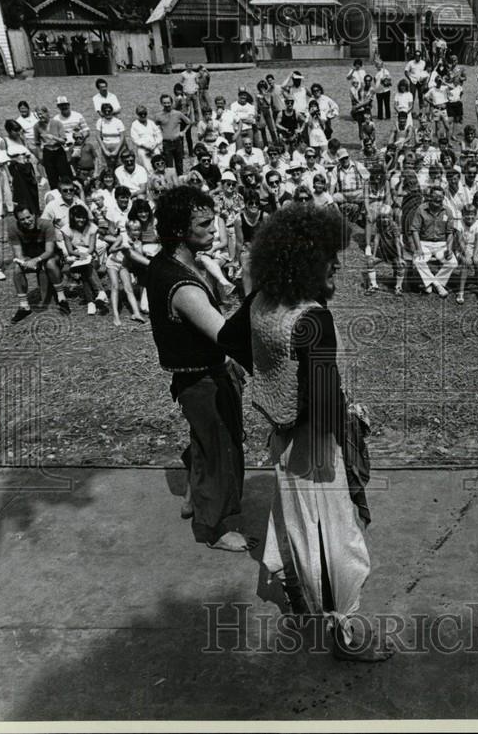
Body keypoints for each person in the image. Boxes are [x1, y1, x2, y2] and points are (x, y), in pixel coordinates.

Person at [216, 203, 391, 661]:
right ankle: (344, 632)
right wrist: (352, 422)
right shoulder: (312, 319)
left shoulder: (263, 300)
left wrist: (272, 374)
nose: (337, 264)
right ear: (304, 262)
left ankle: (293, 591)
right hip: (314, 443)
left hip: (281, 436)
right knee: (336, 536)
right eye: (329, 258)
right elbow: (325, 400)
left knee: (290, 516)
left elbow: (229, 340)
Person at [144, 186, 255, 552]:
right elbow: (226, 335)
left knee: (203, 441)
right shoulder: (184, 287)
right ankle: (216, 528)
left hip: (195, 376)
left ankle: (193, 499)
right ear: (179, 230)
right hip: (204, 380)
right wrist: (252, 288)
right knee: (220, 450)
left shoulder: (167, 263)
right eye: (205, 224)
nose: (215, 229)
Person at [7, 207, 65, 321]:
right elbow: (18, 252)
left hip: (49, 255)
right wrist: (24, 262)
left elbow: (49, 251)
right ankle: (24, 306)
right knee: (17, 269)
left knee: (50, 263)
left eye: (28, 217)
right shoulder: (13, 228)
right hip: (30, 257)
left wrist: (37, 260)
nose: (26, 221)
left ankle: (61, 297)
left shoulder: (46, 224)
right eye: (22, 219)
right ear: (18, 220)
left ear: (34, 215)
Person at [59, 204, 108, 315]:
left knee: (86, 268)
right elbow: (70, 249)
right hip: (75, 257)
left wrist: (86, 255)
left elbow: (91, 247)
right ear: (73, 217)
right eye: (78, 217)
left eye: (83, 217)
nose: (81, 220)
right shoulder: (66, 229)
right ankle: (100, 292)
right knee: (85, 268)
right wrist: (79, 254)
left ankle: (91, 302)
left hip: (91, 256)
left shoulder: (92, 227)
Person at [409, 187, 458, 296]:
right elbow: (414, 230)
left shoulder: (447, 211)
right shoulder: (421, 209)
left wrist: (449, 249)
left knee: (452, 262)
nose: (438, 199)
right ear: (429, 197)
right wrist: (418, 248)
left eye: (440, 197)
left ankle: (430, 284)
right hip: (424, 242)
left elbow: (450, 233)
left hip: (441, 243)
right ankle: (438, 285)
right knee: (418, 260)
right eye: (435, 197)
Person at [453, 203, 478, 304]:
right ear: (463, 215)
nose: (469, 217)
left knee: (477, 263)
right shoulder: (459, 223)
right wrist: (466, 255)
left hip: (473, 248)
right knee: (465, 263)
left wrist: (475, 255)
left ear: (475, 214)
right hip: (460, 248)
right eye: (467, 214)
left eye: (472, 214)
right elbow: (460, 241)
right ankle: (461, 292)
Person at [156, 94, 191, 176]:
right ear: (161, 103)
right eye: (164, 103)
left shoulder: (178, 114)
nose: (167, 105)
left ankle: (181, 183)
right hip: (166, 144)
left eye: (168, 102)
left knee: (179, 165)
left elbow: (189, 122)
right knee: (169, 167)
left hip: (177, 142)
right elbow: (153, 127)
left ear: (171, 103)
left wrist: (183, 132)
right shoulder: (158, 116)